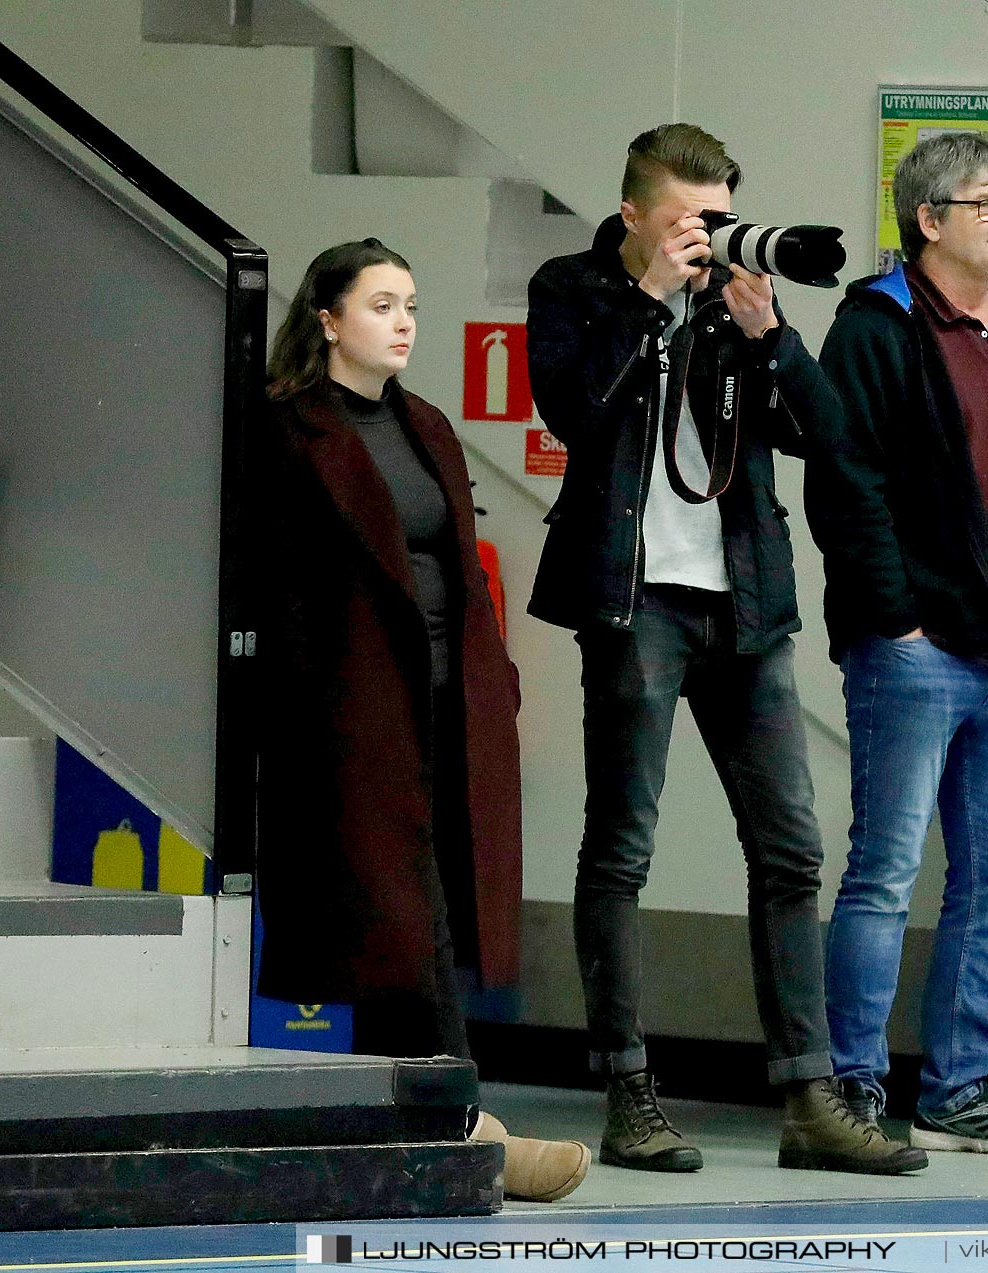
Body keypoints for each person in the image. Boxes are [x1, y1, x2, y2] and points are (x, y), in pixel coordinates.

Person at [525, 124, 923, 1176]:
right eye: (687, 220)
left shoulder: (735, 298)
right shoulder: (572, 287)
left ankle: (808, 1097)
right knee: (622, 846)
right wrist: (654, 303)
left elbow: (826, 435)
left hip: (744, 601)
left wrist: (771, 336)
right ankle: (628, 1089)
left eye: (718, 216)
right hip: (634, 598)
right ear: (634, 217)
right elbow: (570, 412)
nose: (707, 237)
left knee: (792, 848)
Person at [258, 239, 589, 1202]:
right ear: (327, 319)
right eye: (381, 305)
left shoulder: (428, 425)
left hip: (454, 704)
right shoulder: (289, 431)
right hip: (358, 715)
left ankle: (403, 1135)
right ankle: (467, 1123)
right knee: (412, 924)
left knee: (418, 919)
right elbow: (281, 595)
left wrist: (502, 688)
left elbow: (458, 566)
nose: (404, 322)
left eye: (411, 304)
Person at [810, 132, 988, 1158]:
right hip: (918, 656)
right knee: (882, 872)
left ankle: (960, 1086)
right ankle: (854, 1087)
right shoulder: (875, 328)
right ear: (930, 221)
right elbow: (844, 485)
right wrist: (897, 618)